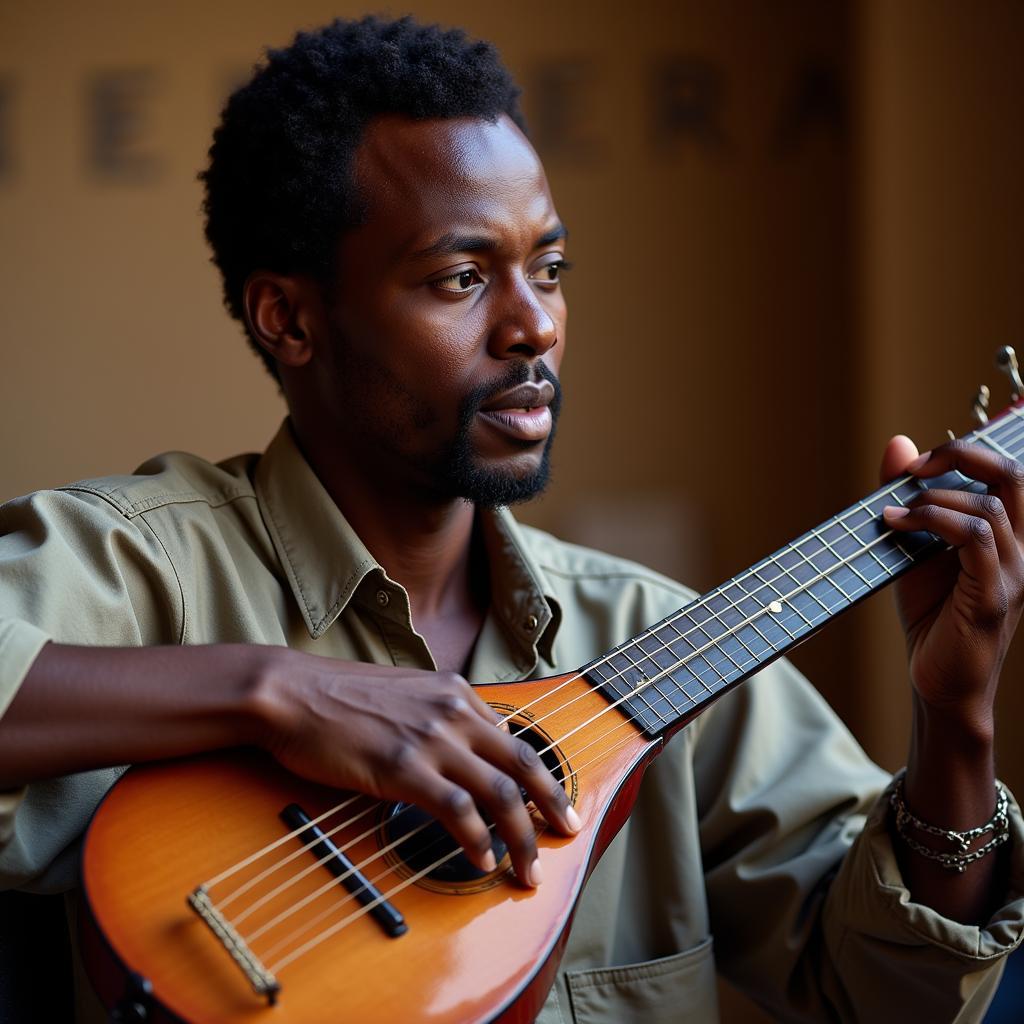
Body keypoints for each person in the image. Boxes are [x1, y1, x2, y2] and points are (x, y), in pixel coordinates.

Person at [0, 15, 1022, 1023]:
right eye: (460, 276)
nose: (533, 323)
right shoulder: (138, 569)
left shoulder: (654, 645)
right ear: (291, 318)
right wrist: (276, 692)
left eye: (548, 268)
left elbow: (898, 995)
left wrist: (956, 716)